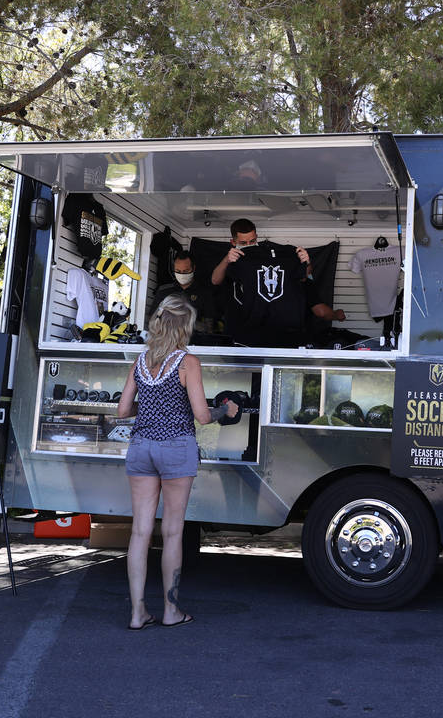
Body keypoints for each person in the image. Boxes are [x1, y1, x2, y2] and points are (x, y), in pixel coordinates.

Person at [116, 295, 238, 630]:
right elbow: (201, 415)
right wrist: (225, 411)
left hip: (141, 447)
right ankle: (170, 610)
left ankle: (137, 612)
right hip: (175, 449)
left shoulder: (140, 361)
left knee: (140, 532)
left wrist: (154, 410)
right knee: (172, 533)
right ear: (184, 326)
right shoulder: (188, 362)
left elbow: (123, 411)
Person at [211, 218, 313, 347]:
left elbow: (305, 277)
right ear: (233, 242)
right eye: (243, 242)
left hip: (272, 327)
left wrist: (306, 262)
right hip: (240, 327)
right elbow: (215, 280)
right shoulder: (232, 258)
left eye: (252, 241)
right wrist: (227, 259)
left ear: (256, 238)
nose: (248, 245)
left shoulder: (275, 254)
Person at [148, 250, 216, 333]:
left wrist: (187, 323)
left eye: (185, 271)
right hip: (166, 341)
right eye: (178, 271)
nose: (182, 274)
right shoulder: (164, 291)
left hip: (194, 342)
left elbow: (209, 328)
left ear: (193, 268)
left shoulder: (204, 293)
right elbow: (152, 322)